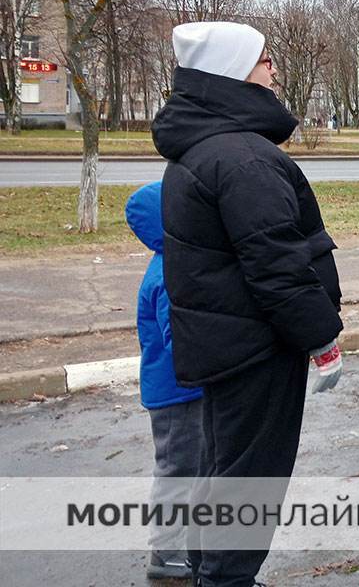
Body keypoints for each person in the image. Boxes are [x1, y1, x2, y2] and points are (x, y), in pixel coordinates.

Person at [151, 21, 345, 587]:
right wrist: (321, 337)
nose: (274, 71)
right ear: (235, 72)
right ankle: (224, 578)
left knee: (222, 469)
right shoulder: (242, 158)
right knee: (250, 481)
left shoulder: (206, 149)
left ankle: (211, 572)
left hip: (226, 344)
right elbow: (277, 263)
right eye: (265, 61)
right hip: (255, 347)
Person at [126, 179, 204, 582]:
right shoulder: (168, 276)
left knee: (193, 468)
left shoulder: (172, 264)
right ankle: (165, 551)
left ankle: (188, 541)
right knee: (176, 471)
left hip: (183, 389)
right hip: (177, 395)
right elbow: (181, 341)